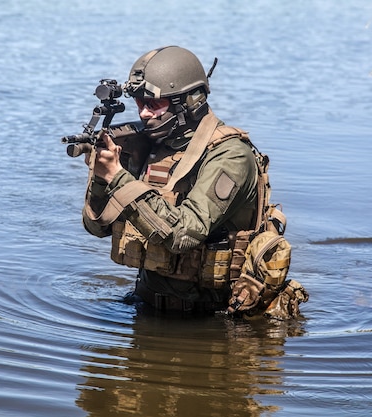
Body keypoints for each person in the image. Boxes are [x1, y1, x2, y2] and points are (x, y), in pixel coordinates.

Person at [82, 46, 308, 317]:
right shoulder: (150, 145)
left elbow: (183, 235)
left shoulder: (230, 155)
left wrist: (118, 179)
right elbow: (97, 228)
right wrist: (101, 176)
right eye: (140, 104)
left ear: (189, 102)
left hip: (217, 317)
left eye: (153, 104)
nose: (143, 114)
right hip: (148, 307)